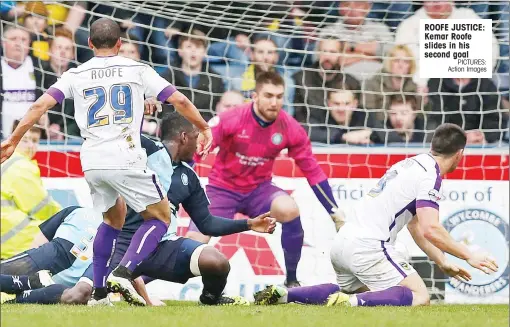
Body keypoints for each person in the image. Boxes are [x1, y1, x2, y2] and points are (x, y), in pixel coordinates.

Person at [0, 18, 213, 306]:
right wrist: (204, 127)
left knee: (112, 221)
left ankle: (99, 292)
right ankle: (124, 272)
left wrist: (13, 139)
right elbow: (181, 102)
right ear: (119, 44)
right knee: (161, 217)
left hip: (91, 161)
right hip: (125, 156)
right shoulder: (137, 69)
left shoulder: (76, 73)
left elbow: (40, 105)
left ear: (89, 44)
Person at [0, 112, 276, 306]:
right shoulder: (144, 153)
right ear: (182, 137)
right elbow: (124, 133)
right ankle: (21, 295)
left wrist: (249, 224)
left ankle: (211, 298)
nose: (200, 143)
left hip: (161, 248)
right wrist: (139, 107)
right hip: (120, 246)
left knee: (216, 261)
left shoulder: (186, 177)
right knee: (79, 296)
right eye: (195, 137)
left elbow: (206, 224)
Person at [254, 123, 499, 307]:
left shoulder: (410, 164)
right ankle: (349, 304)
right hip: (368, 246)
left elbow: (415, 226)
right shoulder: (430, 176)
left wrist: (442, 261)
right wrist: (469, 255)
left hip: (343, 242)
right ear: (460, 154)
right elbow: (430, 228)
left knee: (347, 291)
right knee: (420, 296)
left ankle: (286, 294)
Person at [186, 71, 346, 288]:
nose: (274, 102)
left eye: (279, 97)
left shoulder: (289, 127)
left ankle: (291, 281)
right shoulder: (231, 119)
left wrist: (334, 211)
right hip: (221, 190)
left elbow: (313, 171)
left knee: (289, 208)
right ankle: (135, 280)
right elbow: (196, 151)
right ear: (255, 96)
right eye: (268, 95)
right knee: (191, 248)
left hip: (258, 191)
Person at [1, 123, 61, 260]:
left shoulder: (7, 160)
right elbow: (41, 208)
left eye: (34, 141)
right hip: (14, 243)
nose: (30, 146)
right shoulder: (20, 165)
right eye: (25, 140)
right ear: (14, 140)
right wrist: (64, 216)